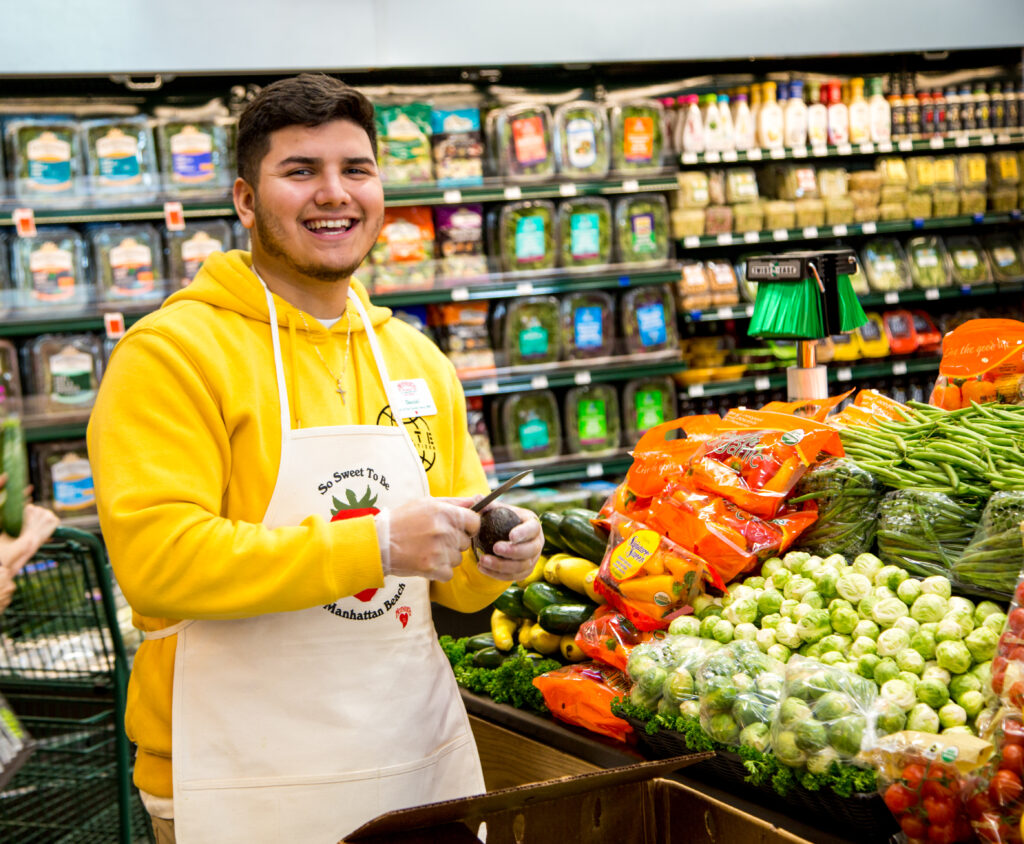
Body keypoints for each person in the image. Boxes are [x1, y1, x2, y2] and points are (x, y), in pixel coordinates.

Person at [86, 73, 543, 844]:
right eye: (300, 171)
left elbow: (456, 587)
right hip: (236, 780)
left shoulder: (416, 360)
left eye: (355, 169)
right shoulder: (170, 354)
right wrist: (374, 544)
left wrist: (496, 555)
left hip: (411, 768)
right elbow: (157, 562)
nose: (334, 193)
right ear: (244, 199)